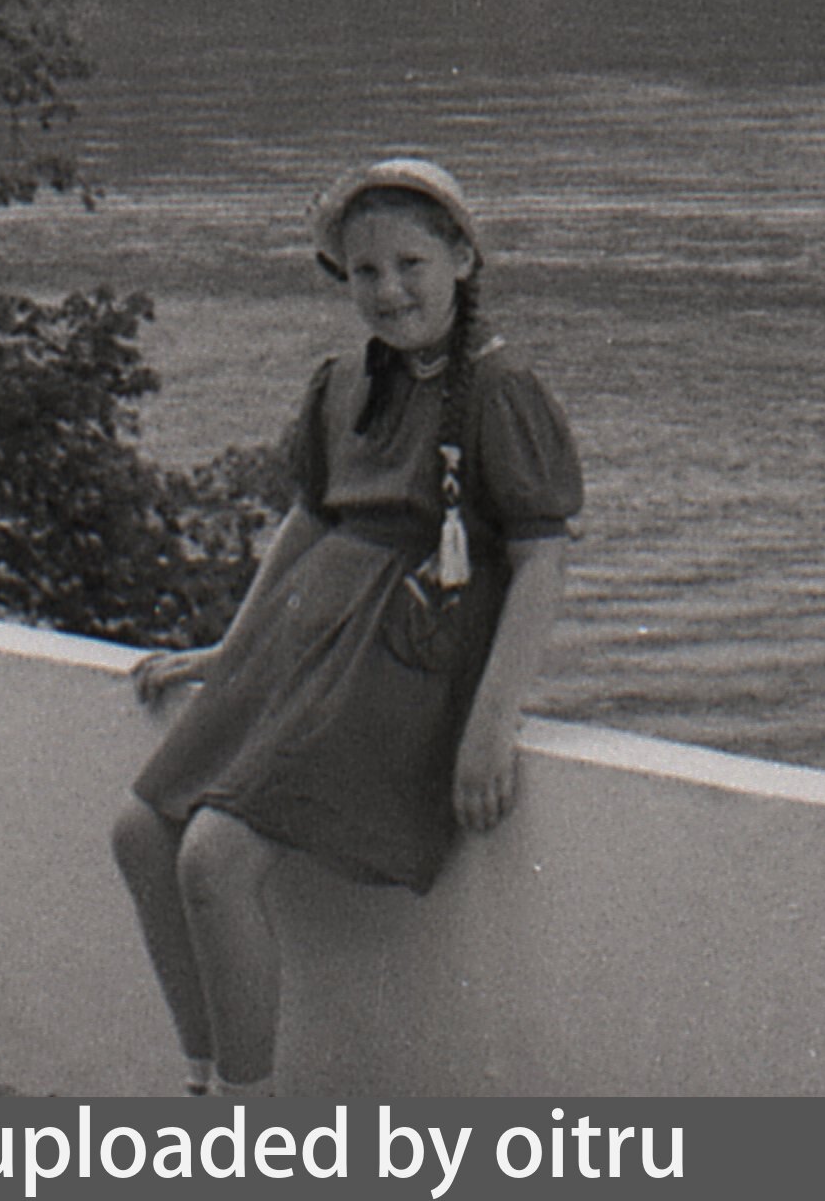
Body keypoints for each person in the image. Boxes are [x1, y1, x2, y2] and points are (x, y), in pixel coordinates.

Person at [112, 153, 582, 1097]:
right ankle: (201, 1084)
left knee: (215, 857)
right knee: (140, 830)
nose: (389, 289)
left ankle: (245, 1127)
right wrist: (233, 648)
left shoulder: (501, 389)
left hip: (400, 666)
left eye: (411, 263)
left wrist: (491, 725)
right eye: (365, 270)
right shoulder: (341, 383)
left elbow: (540, 559)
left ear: (461, 258)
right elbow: (309, 523)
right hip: (309, 640)